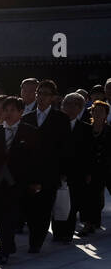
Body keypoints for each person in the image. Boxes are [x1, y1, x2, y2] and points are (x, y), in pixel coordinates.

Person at [0, 96, 41, 264]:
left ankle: (4, 249)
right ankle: (8, 242)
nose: (9, 113)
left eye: (13, 110)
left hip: (18, 181)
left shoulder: (30, 131)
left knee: (11, 215)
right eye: (6, 110)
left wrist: (35, 180)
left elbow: (35, 159)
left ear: (21, 112)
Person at [22, 79, 68, 250]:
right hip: (29, 171)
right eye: (39, 93)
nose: (41, 97)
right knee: (29, 207)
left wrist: (63, 171)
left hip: (50, 171)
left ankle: (36, 240)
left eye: (46, 94)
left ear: (53, 98)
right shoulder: (26, 117)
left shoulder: (61, 119)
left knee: (44, 207)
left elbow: (64, 147)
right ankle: (35, 233)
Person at [57, 92, 94, 244]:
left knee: (72, 203)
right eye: (66, 104)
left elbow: (88, 152)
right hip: (57, 169)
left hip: (76, 172)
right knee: (57, 202)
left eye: (74, 105)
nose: (69, 108)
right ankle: (58, 231)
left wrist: (88, 172)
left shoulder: (85, 128)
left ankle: (68, 232)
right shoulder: (56, 125)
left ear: (80, 108)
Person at [79, 100, 111, 238]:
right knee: (90, 197)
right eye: (95, 111)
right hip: (92, 169)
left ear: (106, 115)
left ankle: (94, 222)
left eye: (101, 112)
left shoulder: (110, 131)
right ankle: (89, 224)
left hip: (108, 168)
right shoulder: (86, 129)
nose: (97, 114)